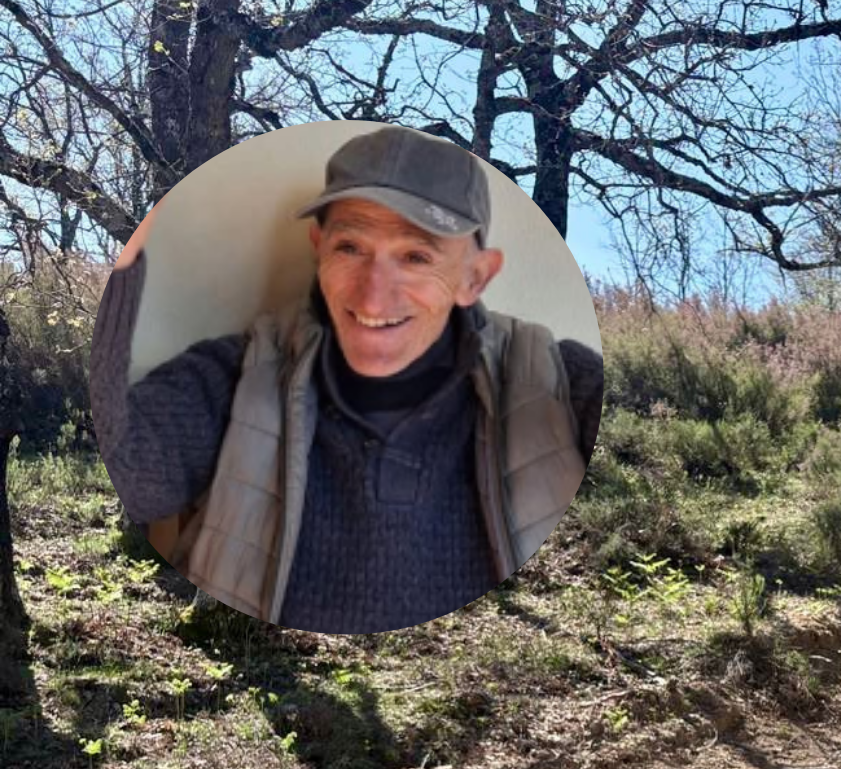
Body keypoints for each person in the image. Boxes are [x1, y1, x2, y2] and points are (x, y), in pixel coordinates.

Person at [89, 124, 603, 634]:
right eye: (351, 248)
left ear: (475, 277)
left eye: (416, 256)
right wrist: (124, 265)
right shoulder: (239, 373)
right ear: (319, 247)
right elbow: (131, 477)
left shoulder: (562, 384)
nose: (374, 296)